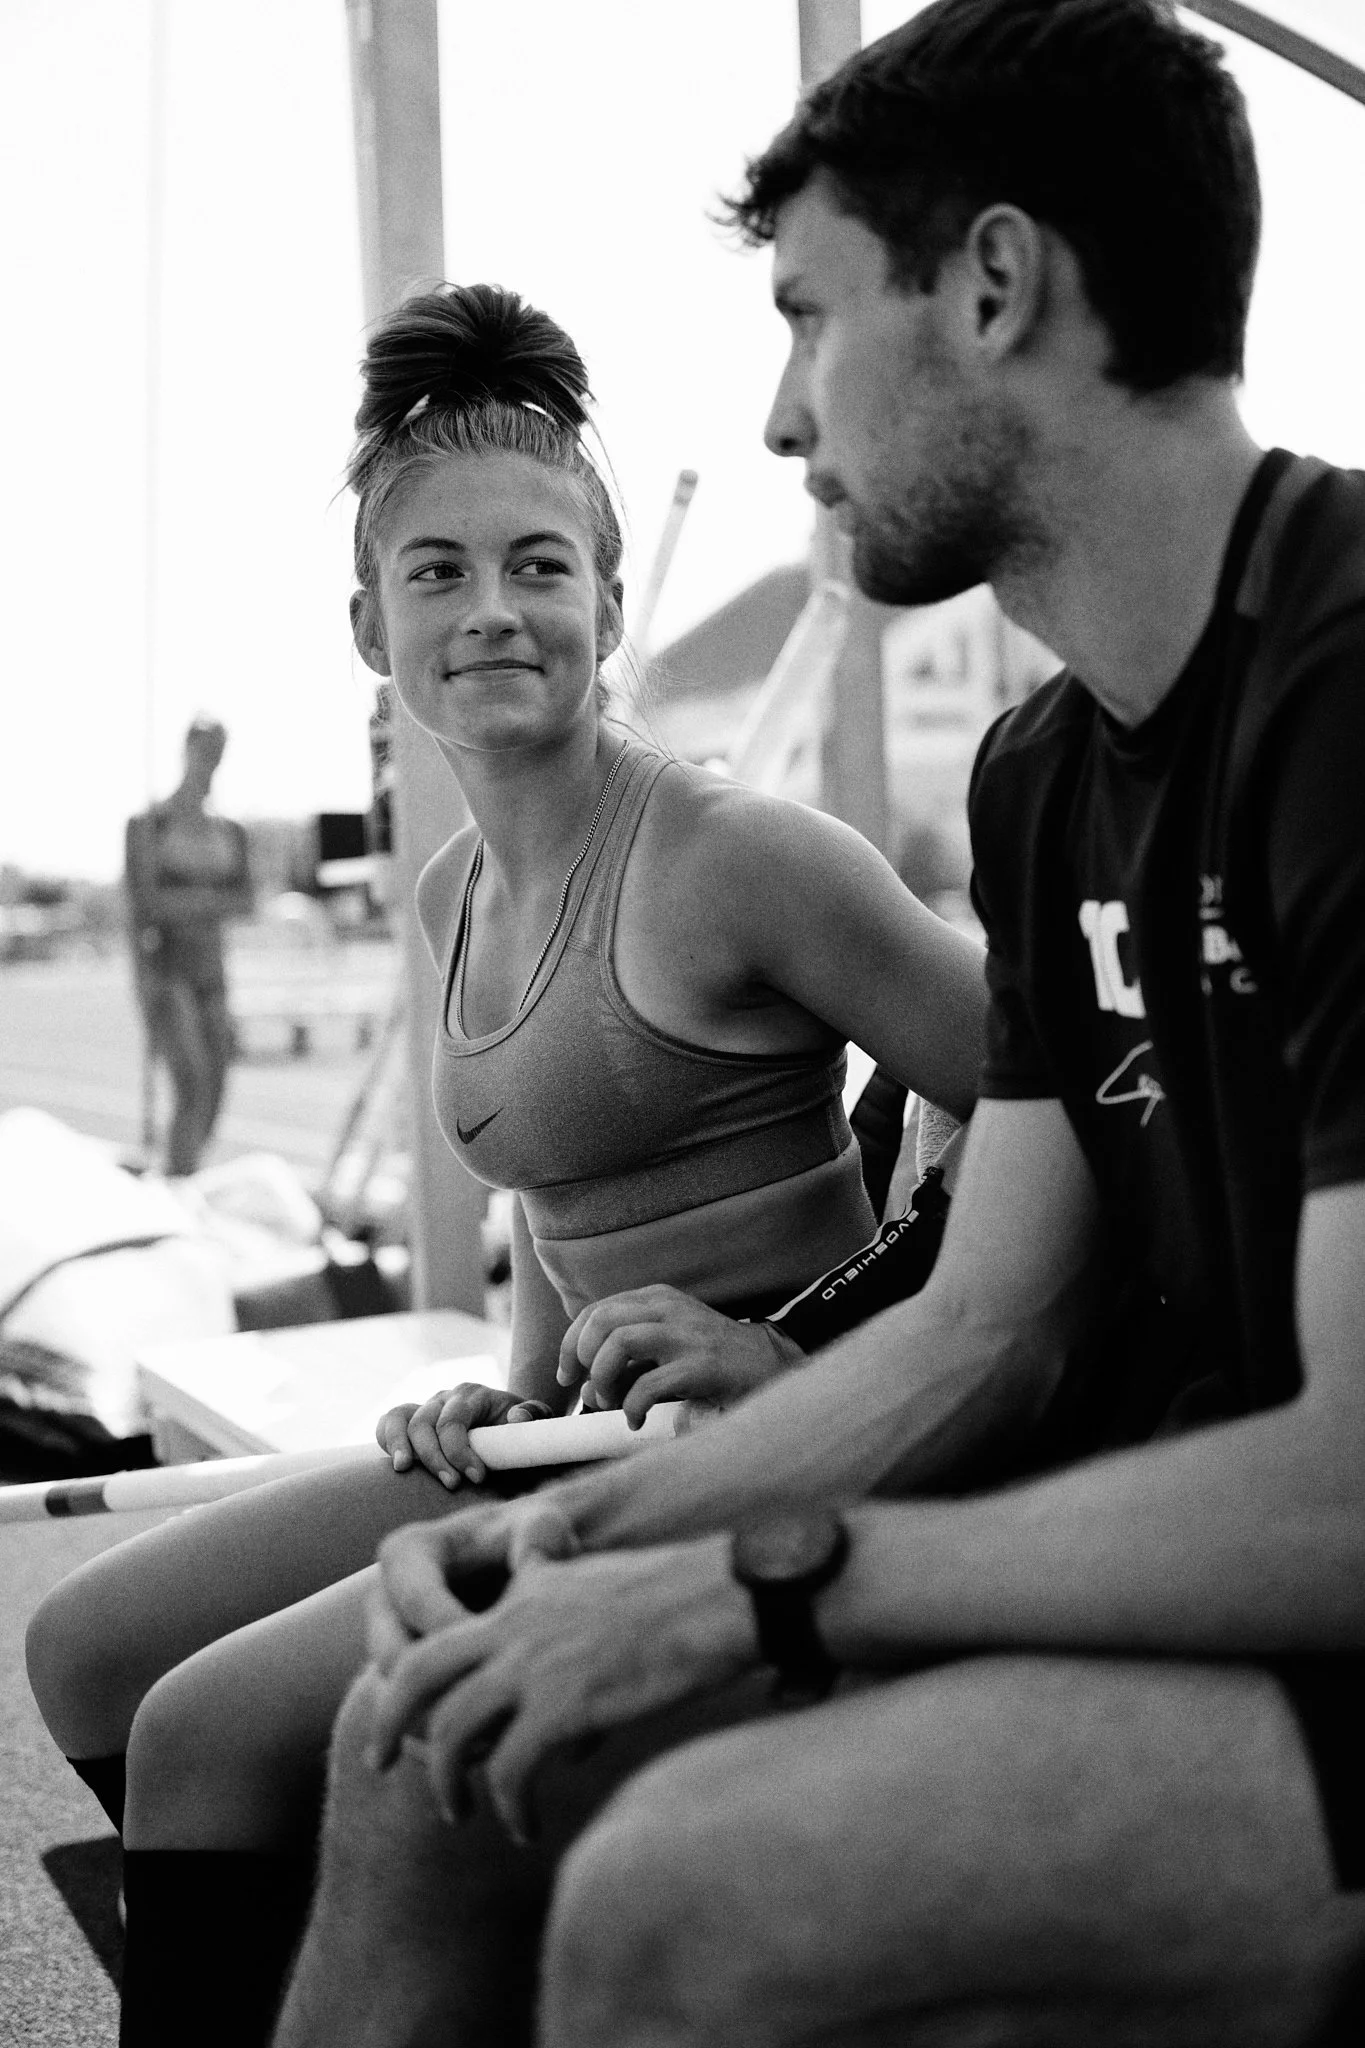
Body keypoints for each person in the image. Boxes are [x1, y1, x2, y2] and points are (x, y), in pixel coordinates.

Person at [271, 6, 1365, 2046]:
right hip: (1158, 1528)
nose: (781, 421)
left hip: (1310, 1602)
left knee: (671, 1908)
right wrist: (573, 1529)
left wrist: (765, 1573)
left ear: (990, 285)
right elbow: (992, 1321)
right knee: (417, 1742)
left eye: (803, 315)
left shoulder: (1341, 683)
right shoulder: (1050, 771)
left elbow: (1350, 1488)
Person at [24, 284, 986, 2045]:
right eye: (441, 572)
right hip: (560, 1437)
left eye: (542, 566)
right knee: (87, 1646)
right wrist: (509, 1380)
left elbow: (1066, 1095)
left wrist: (830, 1355)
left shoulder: (740, 854)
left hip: (762, 1434)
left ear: (612, 601)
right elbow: (559, 1186)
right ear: (369, 623)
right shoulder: (447, 891)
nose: (495, 609)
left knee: (202, 1727)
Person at [125, 718, 252, 1176]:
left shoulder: (229, 830)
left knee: (217, 1085)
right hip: (167, 971)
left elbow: (245, 899)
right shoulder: (149, 825)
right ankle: (178, 1181)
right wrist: (206, 901)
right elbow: (146, 904)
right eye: (204, 750)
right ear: (187, 750)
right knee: (192, 1083)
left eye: (218, 751)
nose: (210, 761)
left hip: (212, 972)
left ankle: (187, 1171)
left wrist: (186, 900)